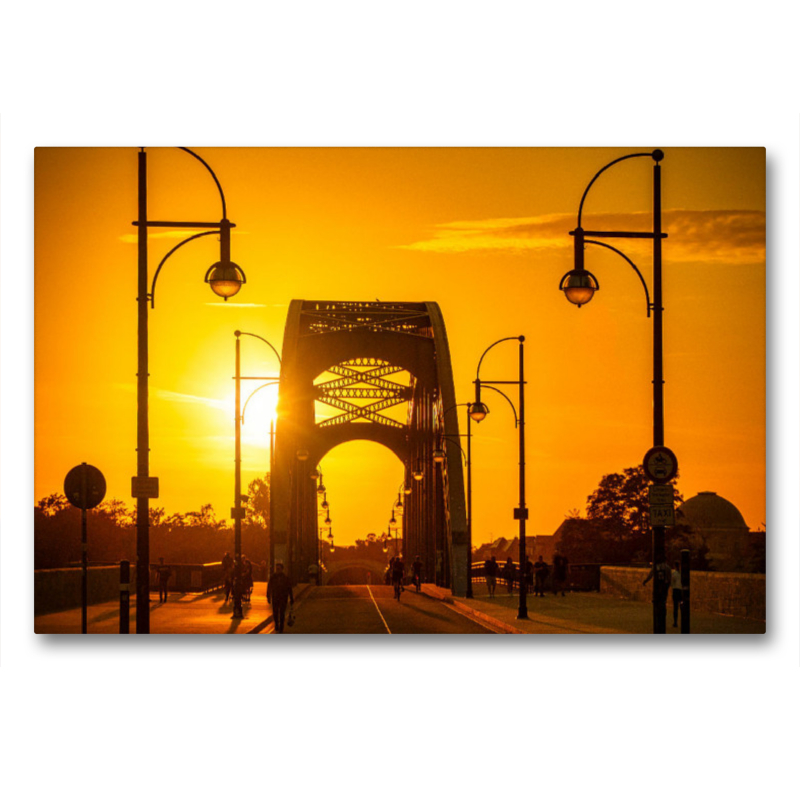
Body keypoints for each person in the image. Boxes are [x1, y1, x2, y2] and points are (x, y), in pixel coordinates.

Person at [643, 558, 672, 630]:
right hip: (664, 587)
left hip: (658, 587)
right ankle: (662, 615)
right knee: (663, 602)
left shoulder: (656, 567)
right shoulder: (667, 567)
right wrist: (668, 586)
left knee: (656, 602)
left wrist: (645, 581)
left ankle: (658, 616)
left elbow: (650, 575)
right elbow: (669, 578)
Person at [267, 561, 294, 633]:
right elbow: (269, 586)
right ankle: (276, 624)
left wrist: (291, 598)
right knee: (275, 612)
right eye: (277, 569)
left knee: (282, 612)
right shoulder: (273, 577)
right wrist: (268, 596)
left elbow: (289, 588)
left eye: (279, 569)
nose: (277, 570)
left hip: (283, 597)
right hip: (275, 597)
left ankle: (281, 626)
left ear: (282, 569)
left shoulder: (285, 578)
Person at [670, 561, 683, 628]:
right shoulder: (682, 574)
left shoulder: (674, 574)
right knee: (682, 606)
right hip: (681, 591)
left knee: (675, 607)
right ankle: (683, 621)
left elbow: (672, 583)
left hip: (676, 590)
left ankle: (675, 622)